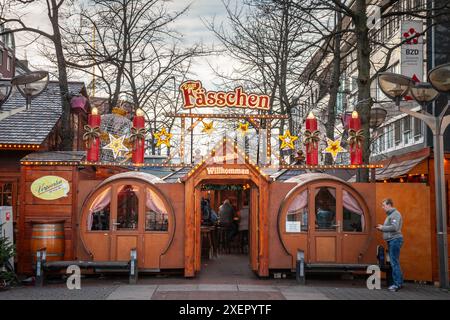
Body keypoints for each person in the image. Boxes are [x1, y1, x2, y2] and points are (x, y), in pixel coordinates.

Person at [376, 198, 404, 292]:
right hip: (392, 240)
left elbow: (395, 227)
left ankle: (397, 284)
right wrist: (382, 227)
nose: (382, 207)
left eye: (384, 205)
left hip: (395, 240)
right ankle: (398, 282)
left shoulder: (395, 214)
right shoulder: (390, 215)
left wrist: (382, 228)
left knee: (394, 262)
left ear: (389, 205)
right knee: (394, 262)